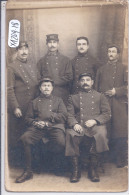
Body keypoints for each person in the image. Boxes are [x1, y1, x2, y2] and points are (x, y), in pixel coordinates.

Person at [15, 77, 67, 183]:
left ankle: (56, 167)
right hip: (38, 128)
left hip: (54, 127)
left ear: (52, 88)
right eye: (44, 86)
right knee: (25, 138)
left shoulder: (58, 100)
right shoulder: (34, 102)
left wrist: (49, 120)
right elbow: (28, 119)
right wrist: (36, 123)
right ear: (40, 88)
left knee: (61, 142)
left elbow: (64, 116)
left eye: (48, 86)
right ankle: (28, 171)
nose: (46, 88)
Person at [65, 73, 111, 183]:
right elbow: (69, 115)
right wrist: (74, 124)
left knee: (100, 134)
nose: (85, 82)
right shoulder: (73, 97)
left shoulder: (100, 96)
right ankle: (76, 170)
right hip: (79, 125)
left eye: (87, 80)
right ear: (79, 83)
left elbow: (107, 113)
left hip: (96, 126)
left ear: (92, 82)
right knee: (70, 134)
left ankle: (93, 169)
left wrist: (95, 120)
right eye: (82, 80)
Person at [95, 45, 128, 168]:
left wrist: (116, 91)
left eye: (114, 52)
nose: (111, 54)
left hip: (119, 104)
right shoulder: (101, 69)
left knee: (120, 130)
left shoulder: (124, 68)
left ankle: (120, 158)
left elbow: (127, 86)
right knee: (105, 130)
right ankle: (105, 157)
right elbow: (96, 89)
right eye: (109, 51)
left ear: (118, 54)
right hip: (104, 104)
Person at [7, 41, 39, 165]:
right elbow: (9, 89)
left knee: (32, 134)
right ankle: (19, 165)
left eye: (26, 48)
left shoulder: (33, 65)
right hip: (21, 107)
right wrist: (15, 107)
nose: (24, 51)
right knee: (19, 135)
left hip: (32, 107)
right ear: (17, 51)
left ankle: (32, 164)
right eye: (21, 49)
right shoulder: (12, 67)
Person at [37, 34, 73, 104]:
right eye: (50, 42)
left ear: (58, 44)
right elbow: (38, 79)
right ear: (46, 44)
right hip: (46, 95)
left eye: (54, 42)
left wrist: (52, 82)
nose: (52, 45)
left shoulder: (65, 60)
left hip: (62, 93)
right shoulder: (41, 61)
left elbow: (69, 77)